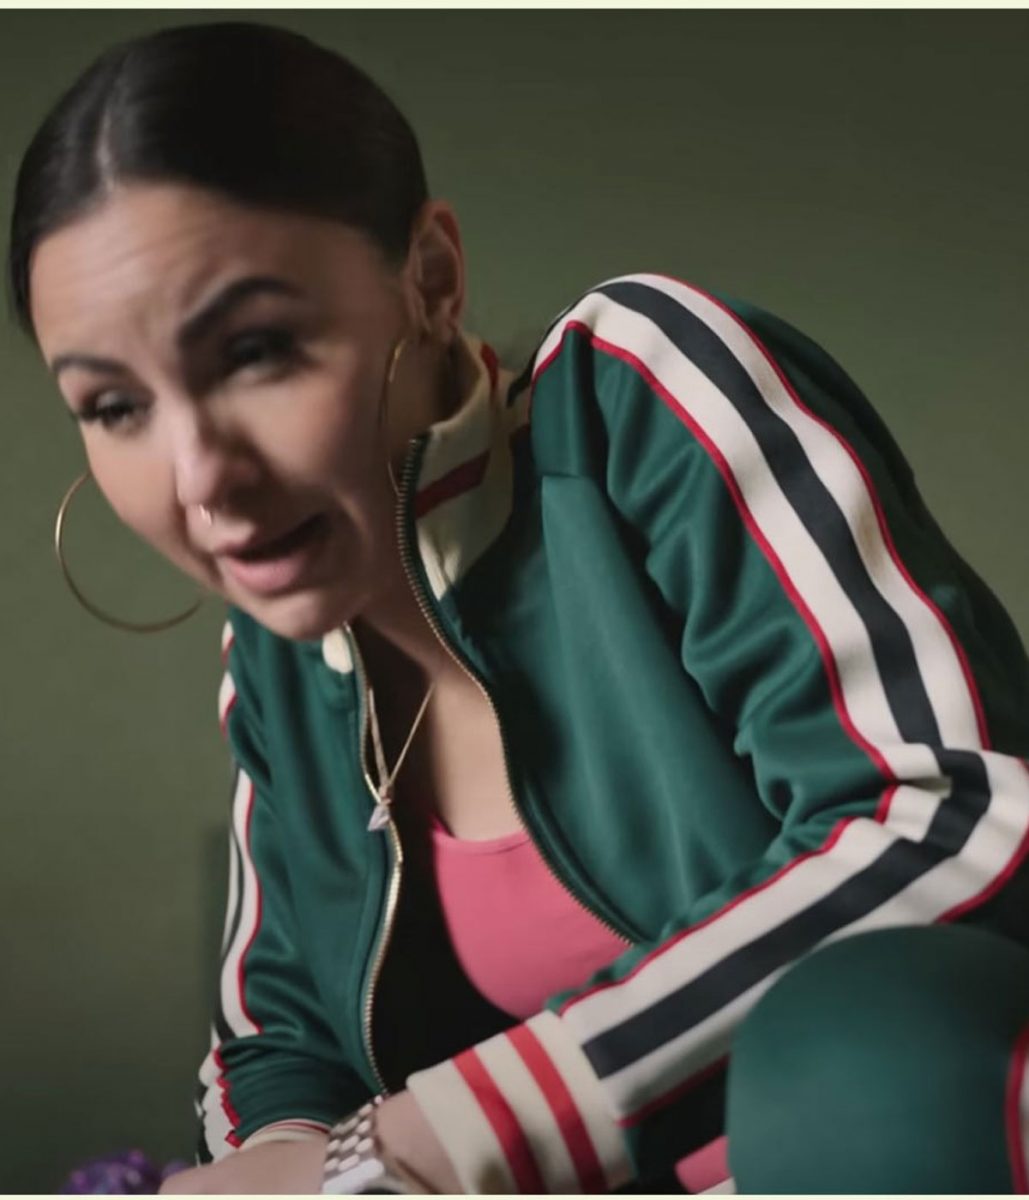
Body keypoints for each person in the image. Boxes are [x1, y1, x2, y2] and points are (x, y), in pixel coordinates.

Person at [10, 18, 1029, 1195]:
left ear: (431, 279)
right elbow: (274, 1048)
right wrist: (292, 1168)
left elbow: (965, 820)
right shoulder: (279, 654)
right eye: (115, 407)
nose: (201, 482)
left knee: (868, 1047)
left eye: (256, 350)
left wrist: (427, 1143)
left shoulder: (636, 394)